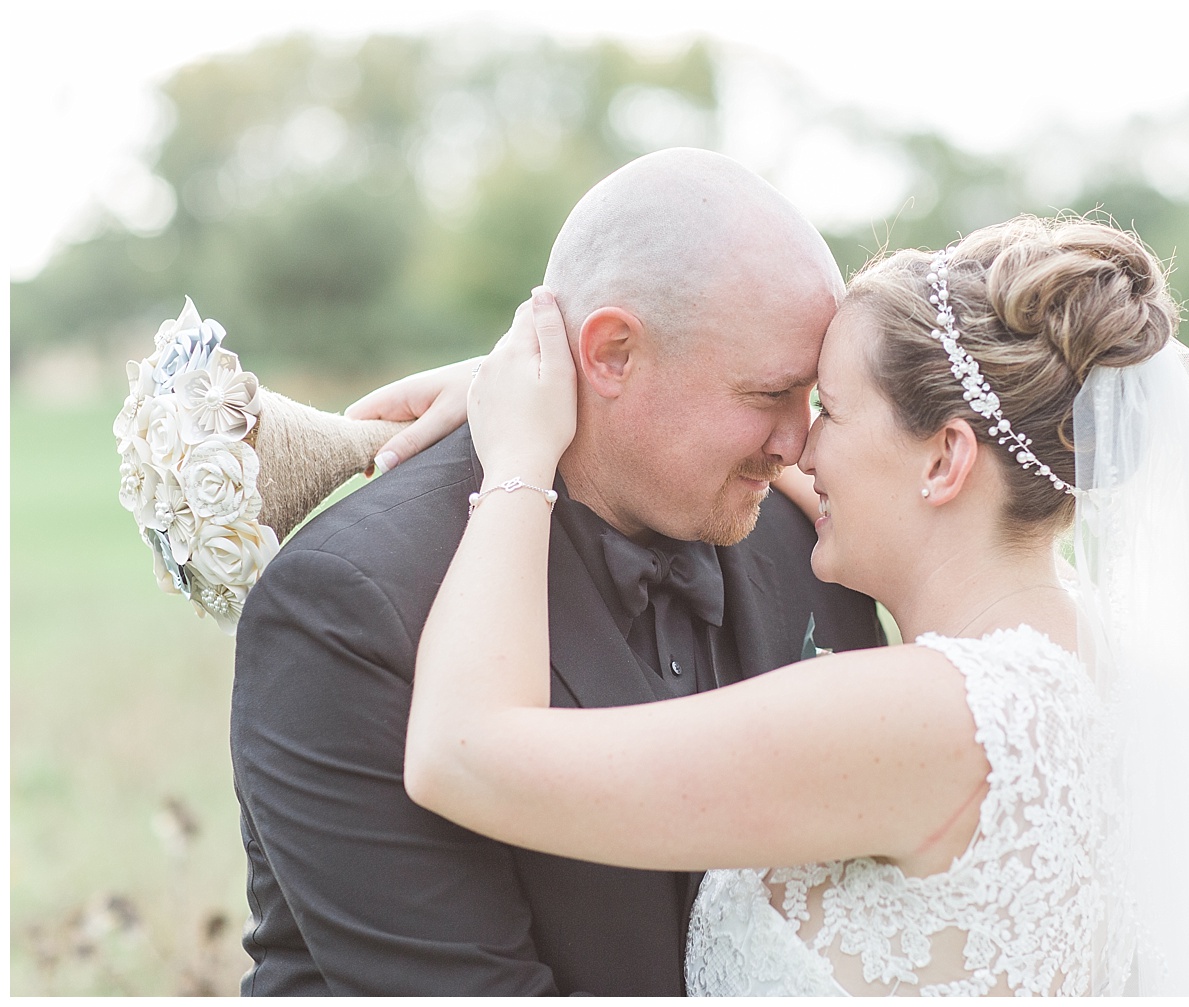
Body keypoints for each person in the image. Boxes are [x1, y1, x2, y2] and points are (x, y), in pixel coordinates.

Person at [390, 214, 1189, 995]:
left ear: (944, 461)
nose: (798, 446)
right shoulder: (1107, 660)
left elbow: (460, 756)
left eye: (830, 409)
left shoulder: (932, 712)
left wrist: (520, 454)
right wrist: (596, 393)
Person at [228, 148, 885, 996]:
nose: (800, 445)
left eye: (816, 400)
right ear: (610, 353)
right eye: (768, 395)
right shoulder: (347, 606)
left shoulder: (813, 534)